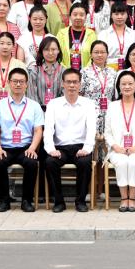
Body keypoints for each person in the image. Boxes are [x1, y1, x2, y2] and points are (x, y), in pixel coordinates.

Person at [0, 68, 44, 212]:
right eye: (15, 81)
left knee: (31, 162)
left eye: (21, 81)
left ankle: (26, 201)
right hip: (5, 147)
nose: (18, 84)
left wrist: (32, 148)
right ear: (9, 83)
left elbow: (38, 130)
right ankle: (4, 201)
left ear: (26, 84)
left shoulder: (34, 106)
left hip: (26, 147)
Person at [44, 67, 98, 212]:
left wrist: (87, 148)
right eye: (68, 82)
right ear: (62, 84)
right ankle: (59, 202)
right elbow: (48, 130)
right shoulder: (53, 104)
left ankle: (80, 201)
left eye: (75, 82)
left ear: (80, 84)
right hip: (60, 148)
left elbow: (91, 129)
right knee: (49, 162)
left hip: (81, 147)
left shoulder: (88, 104)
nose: (72, 85)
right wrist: (51, 149)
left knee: (85, 163)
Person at [105, 71, 135, 212]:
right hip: (117, 149)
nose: (127, 87)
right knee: (122, 161)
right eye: (124, 84)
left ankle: (132, 198)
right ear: (119, 87)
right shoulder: (112, 106)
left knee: (133, 161)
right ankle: (123, 198)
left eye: (130, 84)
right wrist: (116, 147)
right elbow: (107, 133)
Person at [79, 41, 118, 138]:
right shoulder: (84, 72)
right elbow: (80, 94)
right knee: (92, 142)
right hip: (90, 115)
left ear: (107, 54)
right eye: (96, 52)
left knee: (108, 141)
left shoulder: (113, 73)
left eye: (103, 52)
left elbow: (115, 96)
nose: (99, 55)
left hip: (109, 114)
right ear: (91, 54)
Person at [99, 3, 135, 71]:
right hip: (109, 69)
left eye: (122, 14)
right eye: (116, 14)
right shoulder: (103, 34)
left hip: (130, 69)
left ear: (127, 15)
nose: (119, 17)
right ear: (111, 15)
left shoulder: (134, 34)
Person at [56, 4, 97, 71]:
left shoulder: (92, 34)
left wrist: (85, 71)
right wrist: (65, 70)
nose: (78, 17)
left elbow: (94, 55)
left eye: (81, 15)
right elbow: (57, 54)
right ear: (70, 16)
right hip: (64, 72)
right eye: (75, 14)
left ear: (86, 17)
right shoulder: (61, 33)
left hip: (86, 72)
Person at [28, 36, 64, 110]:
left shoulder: (64, 71)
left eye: (53, 49)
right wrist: (39, 112)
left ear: (58, 50)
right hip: (38, 111)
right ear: (42, 51)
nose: (50, 53)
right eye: (46, 49)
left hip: (59, 111)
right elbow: (32, 96)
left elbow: (64, 96)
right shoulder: (35, 71)